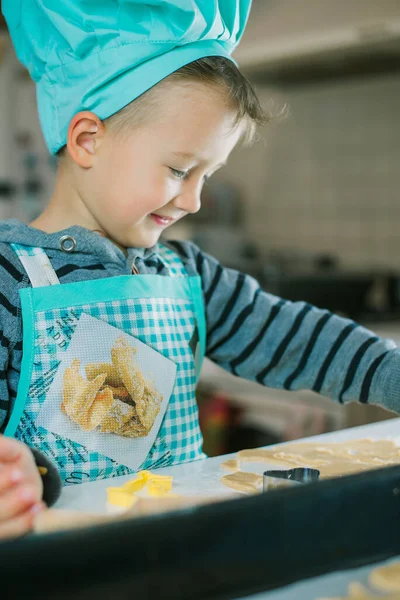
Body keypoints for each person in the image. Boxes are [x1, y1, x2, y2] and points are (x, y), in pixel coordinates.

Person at [0, 0, 399, 540]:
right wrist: (26, 477)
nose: (194, 200)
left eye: (206, 175)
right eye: (180, 170)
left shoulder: (187, 275)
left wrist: (390, 373)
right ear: (88, 140)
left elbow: (294, 335)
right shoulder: (11, 279)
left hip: (183, 555)